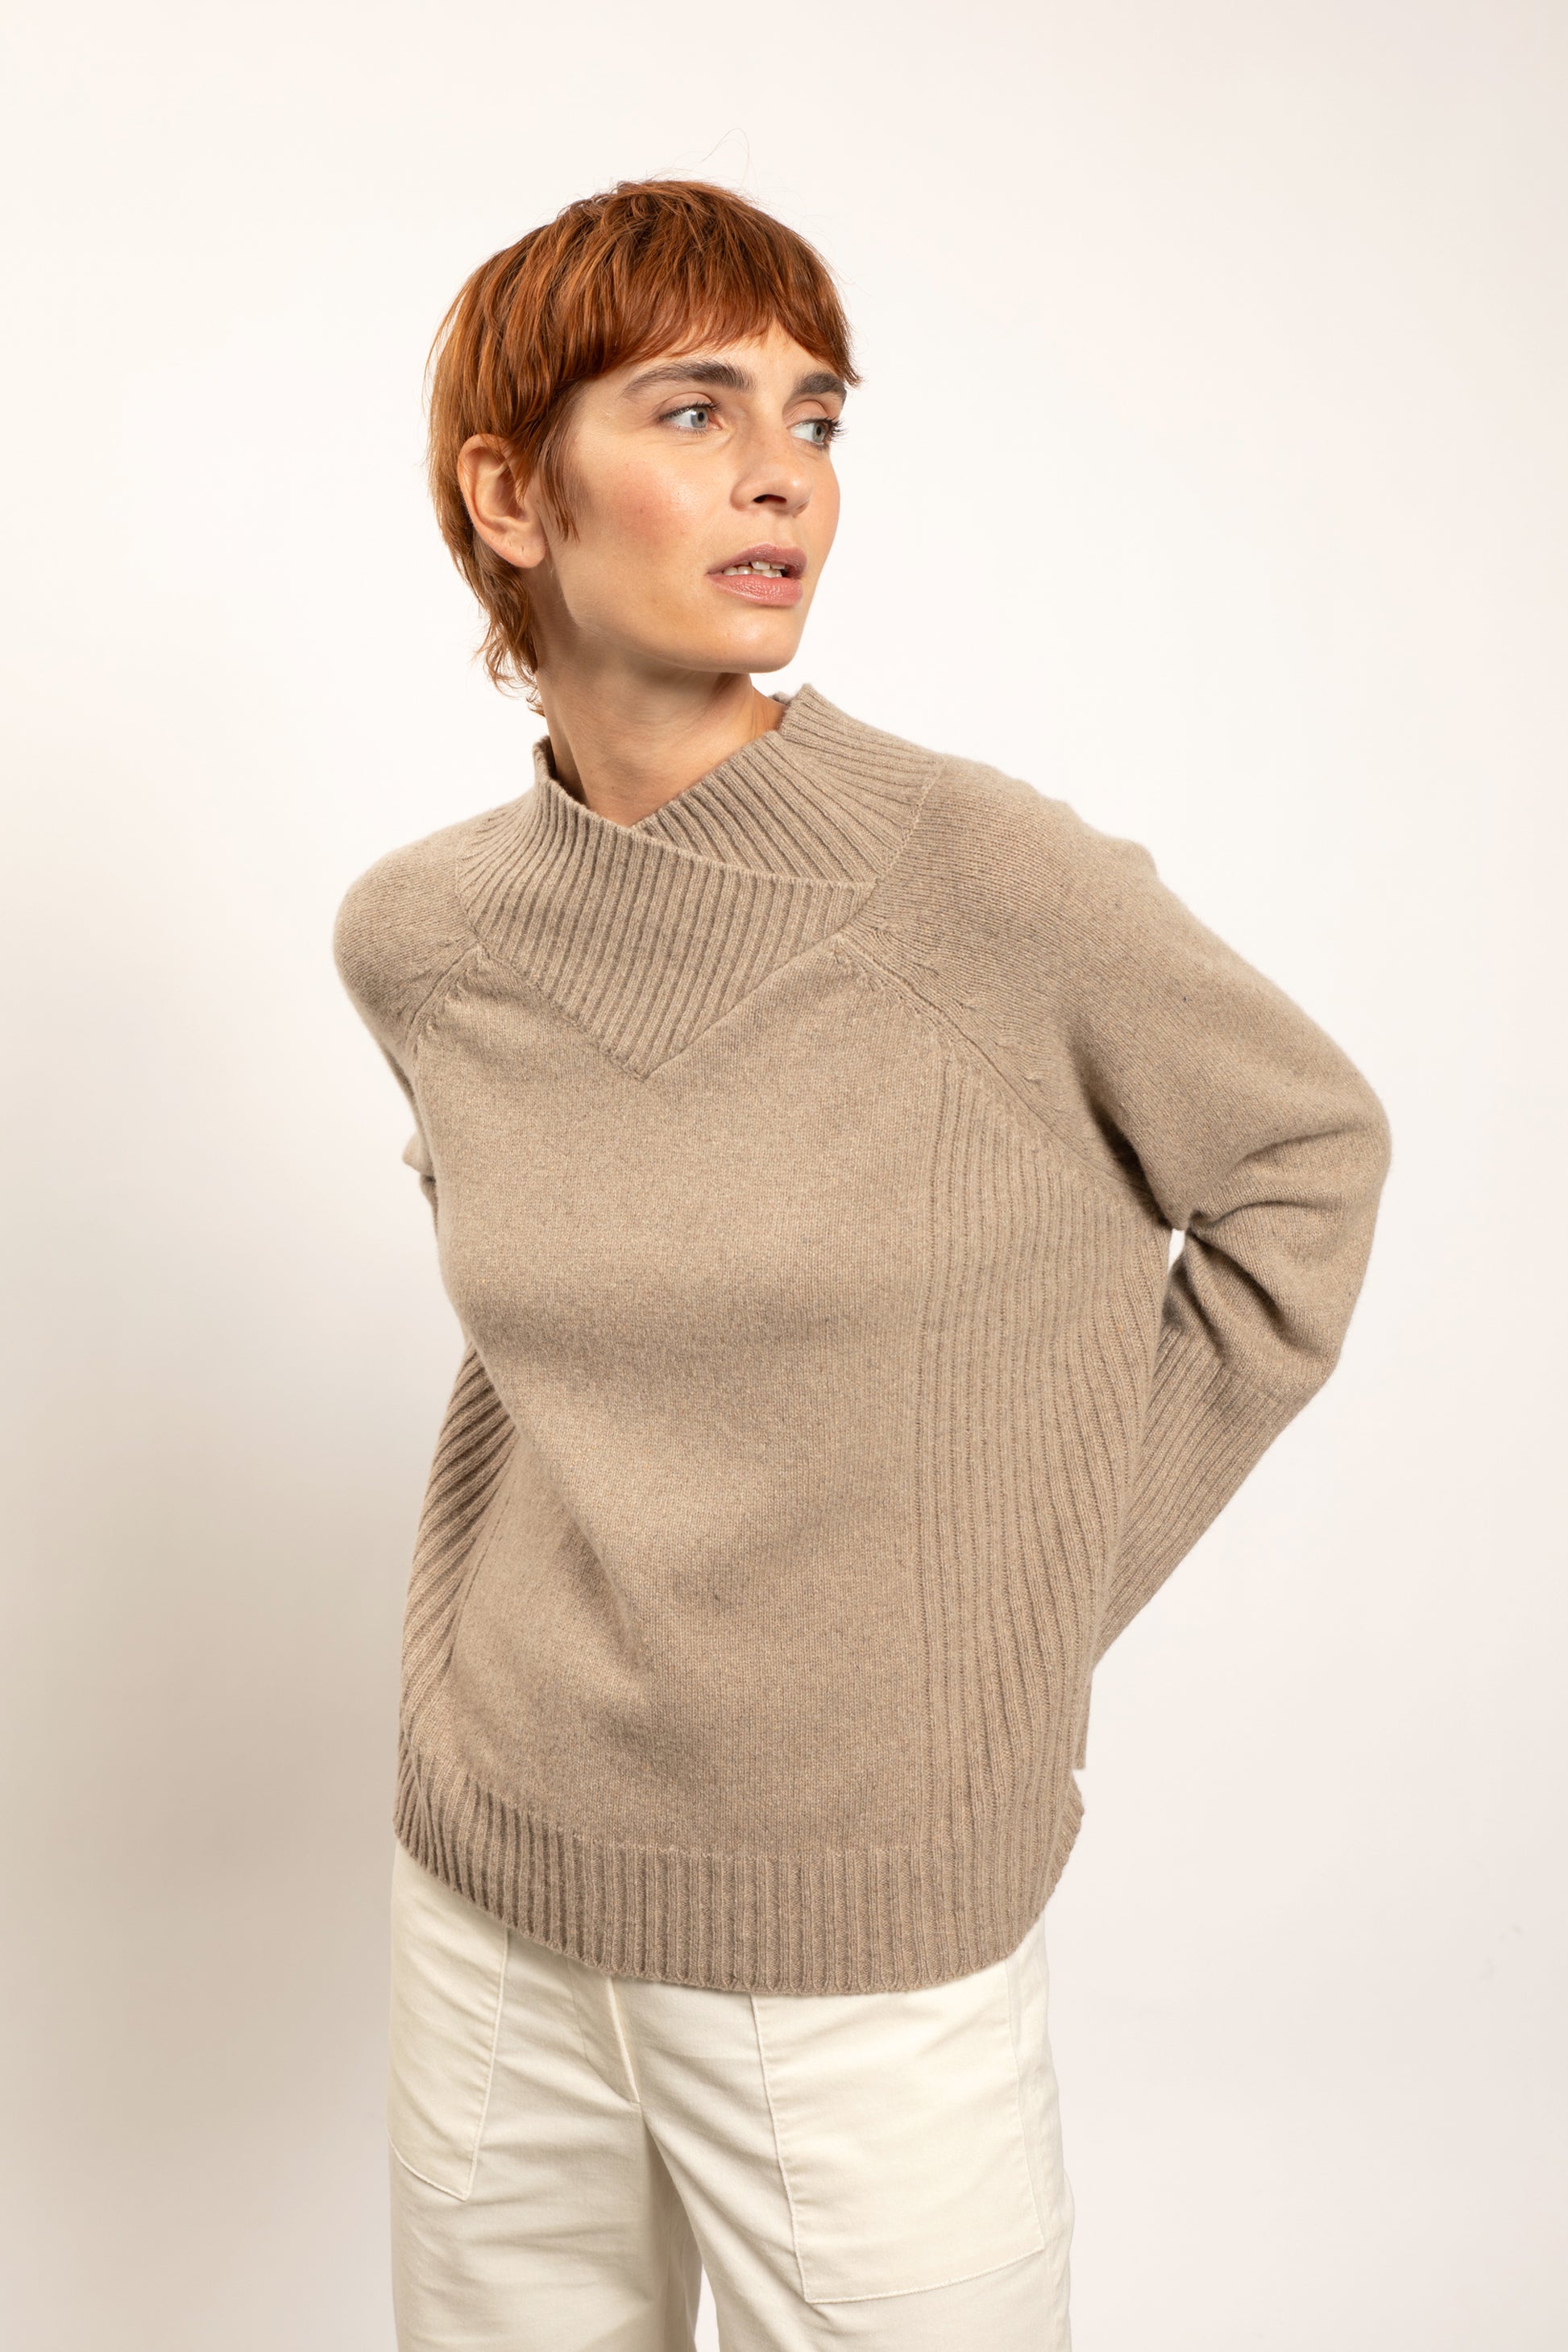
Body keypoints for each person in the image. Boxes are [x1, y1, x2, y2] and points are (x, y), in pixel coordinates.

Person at [333, 177, 1392, 2352]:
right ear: (511, 496)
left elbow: (1302, 1167)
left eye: (813, 418)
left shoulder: (980, 882)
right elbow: (565, 1345)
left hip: (855, 1919)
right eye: (694, 408)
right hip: (491, 1880)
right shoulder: (422, 938)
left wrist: (1004, 1602)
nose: (781, 474)